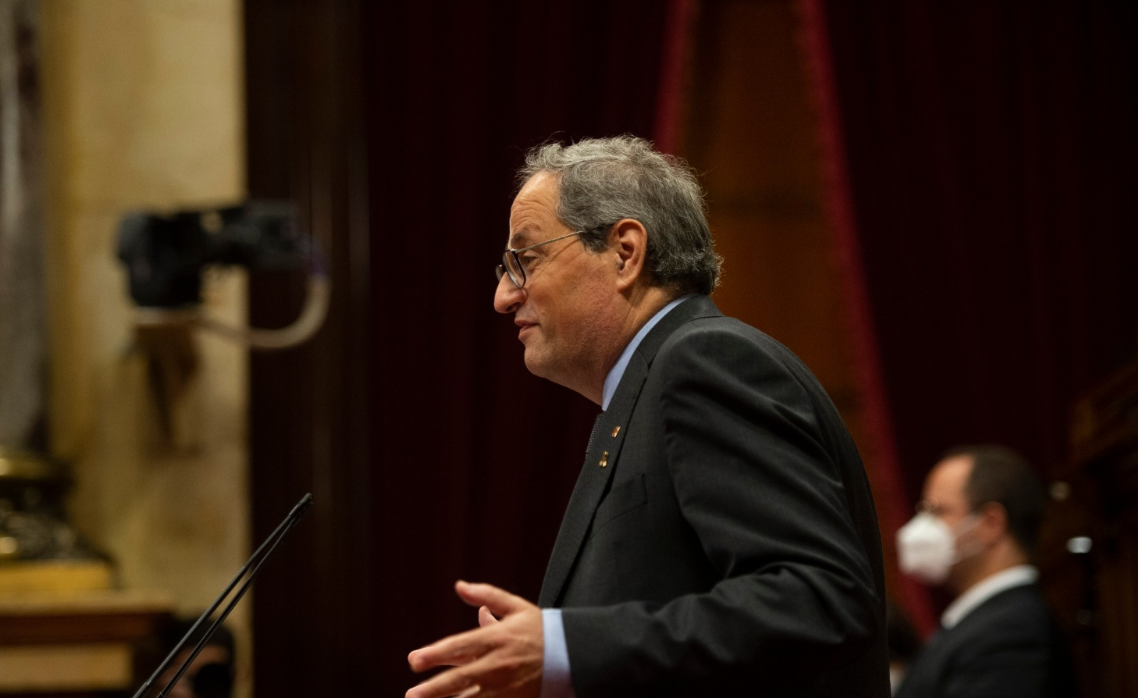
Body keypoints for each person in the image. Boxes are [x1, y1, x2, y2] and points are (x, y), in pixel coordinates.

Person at [406, 136, 888, 697]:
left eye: (524, 261)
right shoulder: (643, 393)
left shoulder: (703, 362)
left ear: (625, 253)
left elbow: (820, 599)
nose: (503, 297)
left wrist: (565, 650)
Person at [894, 446, 1077, 698]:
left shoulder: (1011, 633)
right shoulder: (983, 621)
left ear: (992, 523)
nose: (922, 527)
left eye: (937, 511)